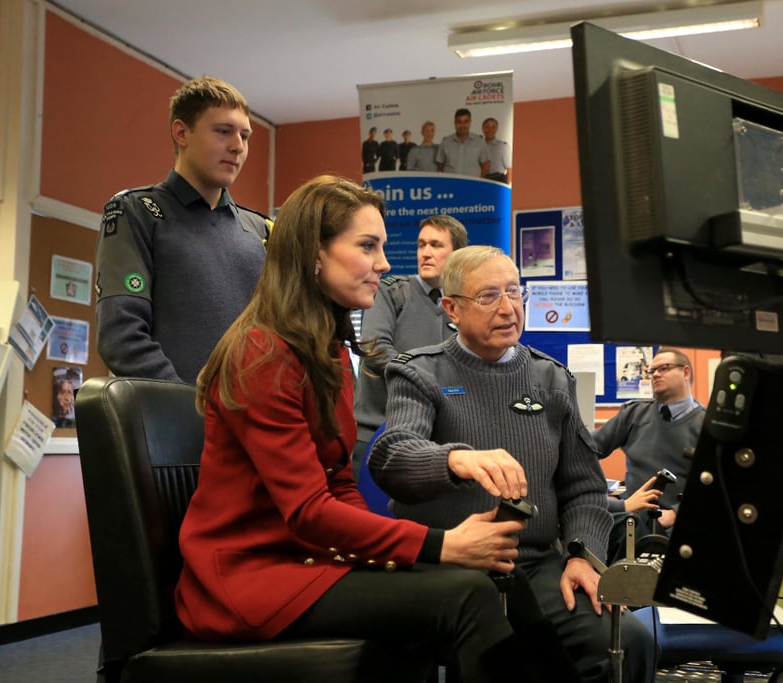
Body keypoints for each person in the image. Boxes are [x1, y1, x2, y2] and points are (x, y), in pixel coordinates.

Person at [173, 176, 577, 683]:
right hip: (252, 578)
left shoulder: (331, 350)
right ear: (312, 254)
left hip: (310, 560)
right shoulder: (261, 353)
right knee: (468, 593)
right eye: (368, 246)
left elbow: (339, 485)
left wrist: (398, 553)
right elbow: (308, 511)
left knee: (497, 577)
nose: (385, 264)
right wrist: (439, 545)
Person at [370, 246, 657, 683]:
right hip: (446, 564)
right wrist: (456, 458)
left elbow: (584, 490)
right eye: (488, 296)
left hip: (535, 566)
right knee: (497, 659)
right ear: (451, 308)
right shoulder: (419, 373)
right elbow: (393, 456)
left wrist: (583, 556)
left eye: (514, 293)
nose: (508, 309)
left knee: (629, 642)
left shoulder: (553, 380)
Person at [94, 76, 269, 383]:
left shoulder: (260, 230)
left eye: (245, 136)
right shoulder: (137, 213)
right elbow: (122, 338)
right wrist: (188, 410)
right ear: (181, 132)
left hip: (255, 423)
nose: (237, 146)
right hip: (177, 424)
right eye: (223, 131)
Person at [351, 214, 468, 475]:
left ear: (457, 254)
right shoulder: (391, 290)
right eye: (421, 244)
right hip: (377, 431)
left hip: (433, 438)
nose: (425, 253)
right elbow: (375, 347)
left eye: (436, 245)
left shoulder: (462, 305)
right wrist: (420, 380)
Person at [592, 348, 705, 562]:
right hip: (631, 519)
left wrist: (676, 514)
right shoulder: (634, 414)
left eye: (664, 368)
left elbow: (717, 487)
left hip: (677, 525)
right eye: (651, 370)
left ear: (686, 372)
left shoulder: (706, 426)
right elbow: (589, 448)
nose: (655, 375)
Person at [436, 108, 490, 177]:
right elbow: (440, 165)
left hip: (472, 185)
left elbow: (486, 165)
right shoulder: (445, 142)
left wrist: (478, 181)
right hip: (451, 184)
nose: (462, 125)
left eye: (465, 121)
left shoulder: (480, 141)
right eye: (459, 122)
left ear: (470, 122)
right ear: (454, 123)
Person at [482, 117, 512, 183]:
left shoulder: (503, 146)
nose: (490, 130)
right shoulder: (478, 145)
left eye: (493, 127)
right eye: (487, 127)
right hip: (482, 179)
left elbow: (509, 169)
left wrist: (507, 188)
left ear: (497, 129)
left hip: (497, 180)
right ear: (483, 129)